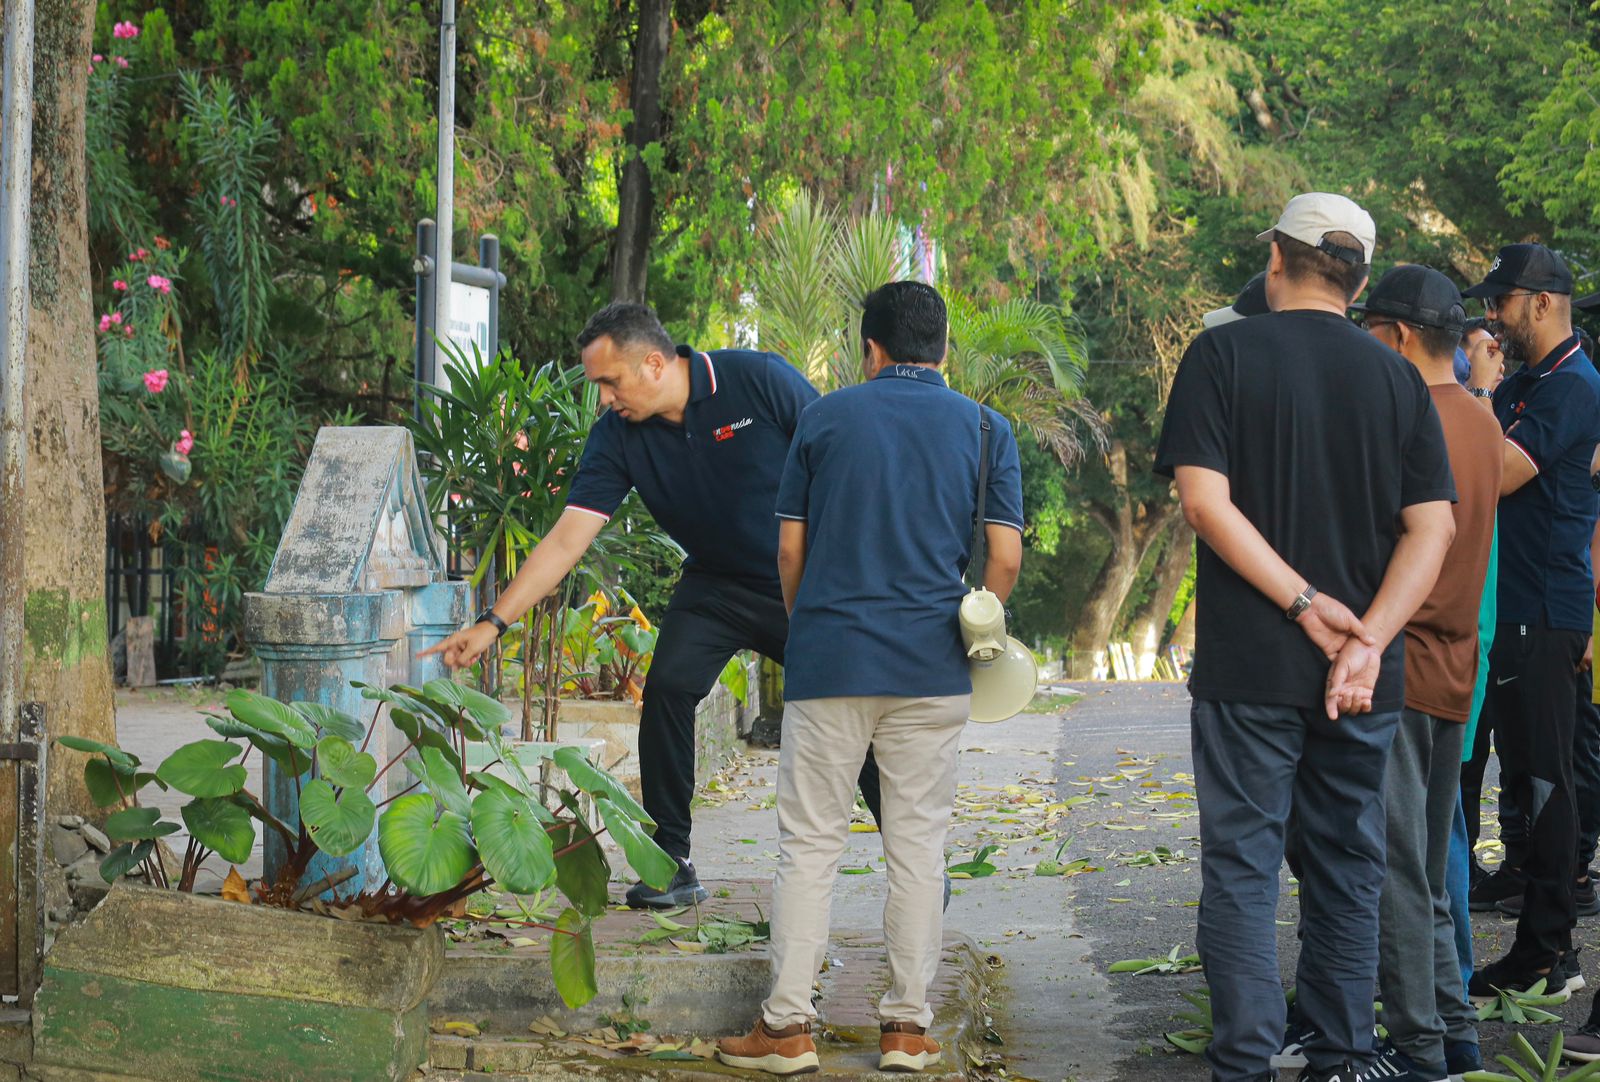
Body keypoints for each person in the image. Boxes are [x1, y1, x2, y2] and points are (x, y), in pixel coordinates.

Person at [422, 302, 884, 908]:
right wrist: (492, 623)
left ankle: (915, 860)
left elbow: (844, 462)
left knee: (851, 711)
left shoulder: (758, 380)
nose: (605, 398)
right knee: (666, 688)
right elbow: (567, 538)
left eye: (610, 381)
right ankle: (672, 860)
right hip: (715, 585)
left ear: (655, 363)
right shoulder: (617, 436)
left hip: (801, 579)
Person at [1155, 192, 1457, 1082]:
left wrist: (1301, 605)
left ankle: (1245, 1062)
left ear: (1275, 262)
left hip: (1253, 664)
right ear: (1359, 283)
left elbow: (1205, 504)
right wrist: (1368, 640)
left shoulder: (1220, 354)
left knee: (1245, 868)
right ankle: (1343, 1054)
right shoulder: (1398, 376)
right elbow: (1430, 528)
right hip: (1365, 678)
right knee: (1349, 862)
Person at [716, 281, 1024, 1076]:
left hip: (829, 663)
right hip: (932, 669)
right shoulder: (988, 430)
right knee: (918, 846)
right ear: (943, 350)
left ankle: (786, 1031)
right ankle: (907, 1032)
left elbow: (790, 552)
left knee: (810, 847)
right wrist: (980, 613)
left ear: (871, 350)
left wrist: (811, 623)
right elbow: (1006, 557)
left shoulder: (822, 419)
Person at [1348, 266, 1498, 1082]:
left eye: (1371, 334)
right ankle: (1456, 1023)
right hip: (1458, 667)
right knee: (1432, 858)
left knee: (1400, 867)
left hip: (1403, 664)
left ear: (1399, 338)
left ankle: (1418, 1046)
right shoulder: (1483, 424)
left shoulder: (1403, 416)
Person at [1460, 244, 1600, 999]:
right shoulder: (1527, 383)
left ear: (1542, 302)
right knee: (1524, 778)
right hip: (1507, 610)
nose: (1491, 315)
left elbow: (1496, 472)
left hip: (1542, 611)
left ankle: (1546, 954)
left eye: (1501, 300)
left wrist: (1479, 391)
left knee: (1543, 781)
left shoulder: (1574, 386)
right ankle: (1555, 949)